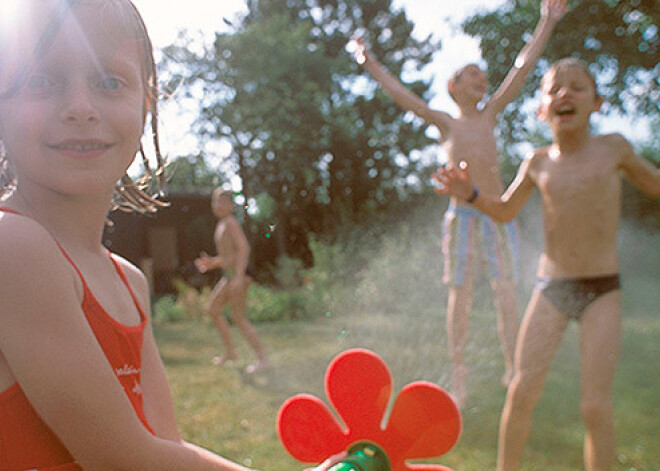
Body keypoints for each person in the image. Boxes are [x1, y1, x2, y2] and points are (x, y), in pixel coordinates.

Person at [0, 1, 341, 469]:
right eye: (41, 81)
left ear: (146, 103)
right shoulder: (12, 246)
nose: (80, 107)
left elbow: (164, 448)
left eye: (108, 82)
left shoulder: (129, 283)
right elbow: (122, 457)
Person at [433, 57, 660, 471]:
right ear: (542, 109)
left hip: (601, 290)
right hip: (551, 289)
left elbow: (656, 184)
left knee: (594, 406)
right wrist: (469, 195)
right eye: (554, 88)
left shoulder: (614, 149)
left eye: (577, 86)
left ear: (598, 102)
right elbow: (503, 211)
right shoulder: (537, 162)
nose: (564, 94)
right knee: (521, 393)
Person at [352, 0, 568, 406]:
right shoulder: (446, 123)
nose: (482, 81)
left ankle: (511, 367)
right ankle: (459, 377)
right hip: (463, 219)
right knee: (461, 297)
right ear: (453, 86)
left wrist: (547, 20)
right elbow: (400, 94)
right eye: (472, 75)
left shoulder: (491, 114)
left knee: (506, 294)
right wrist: (369, 62)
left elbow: (521, 68)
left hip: (498, 214)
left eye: (484, 78)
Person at [195, 188, 269, 374]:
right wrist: (212, 263)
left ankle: (263, 359)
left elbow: (244, 249)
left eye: (222, 202)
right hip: (229, 276)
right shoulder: (222, 224)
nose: (218, 205)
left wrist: (237, 277)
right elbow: (229, 255)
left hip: (237, 276)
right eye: (215, 201)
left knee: (238, 317)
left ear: (231, 205)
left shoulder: (230, 223)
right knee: (213, 310)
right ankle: (230, 352)